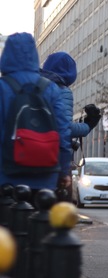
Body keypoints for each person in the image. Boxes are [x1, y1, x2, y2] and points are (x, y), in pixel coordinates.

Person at [0, 33, 71, 200]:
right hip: (46, 177)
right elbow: (63, 131)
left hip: (7, 175)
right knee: (44, 221)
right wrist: (63, 170)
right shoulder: (51, 89)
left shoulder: (2, 88)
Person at [40, 51, 101, 201]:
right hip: (53, 157)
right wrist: (88, 125)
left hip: (27, 152)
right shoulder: (62, 90)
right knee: (59, 206)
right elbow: (65, 128)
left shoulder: (35, 85)